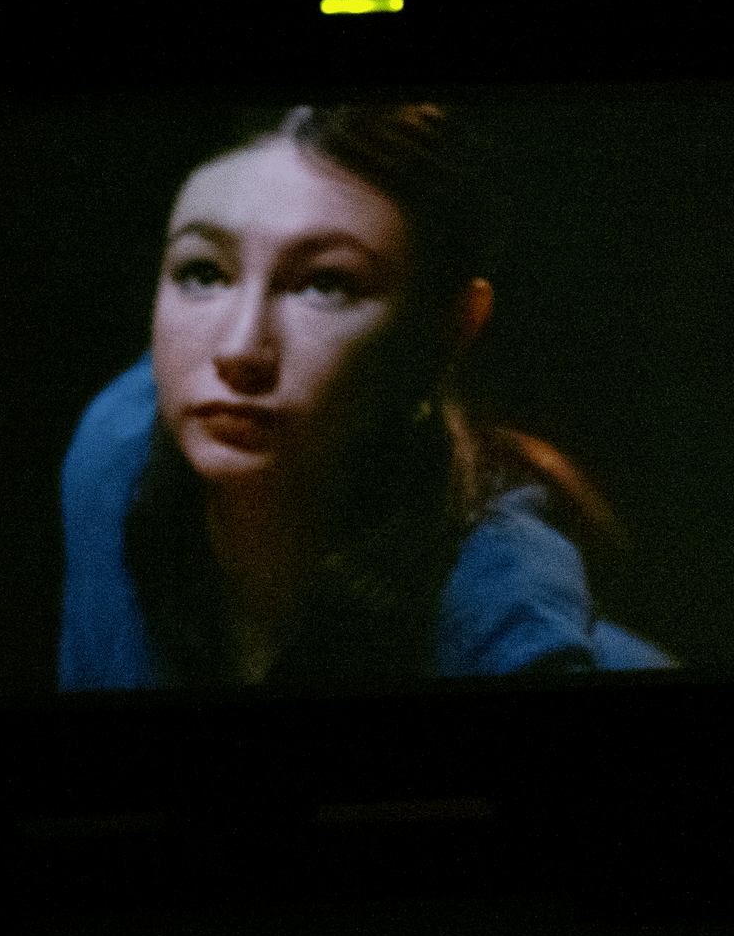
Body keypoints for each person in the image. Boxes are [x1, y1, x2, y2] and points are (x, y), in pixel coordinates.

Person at [59, 101, 674, 692]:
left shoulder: (498, 612)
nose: (239, 349)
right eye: (203, 273)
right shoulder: (119, 438)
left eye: (327, 283)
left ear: (452, 325)